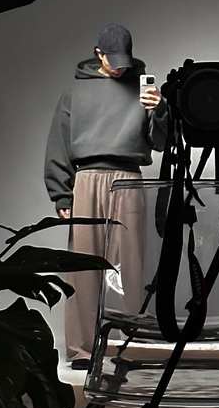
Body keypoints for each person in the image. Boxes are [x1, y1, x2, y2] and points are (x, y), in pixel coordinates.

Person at [44, 23, 168, 364]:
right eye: (113, 60)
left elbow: (161, 143)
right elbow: (58, 143)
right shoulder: (75, 93)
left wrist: (159, 109)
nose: (120, 67)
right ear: (98, 54)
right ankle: (83, 349)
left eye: (124, 60)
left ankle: (128, 345)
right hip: (86, 178)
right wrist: (61, 194)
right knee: (83, 267)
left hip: (129, 178)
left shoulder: (144, 88)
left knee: (129, 265)